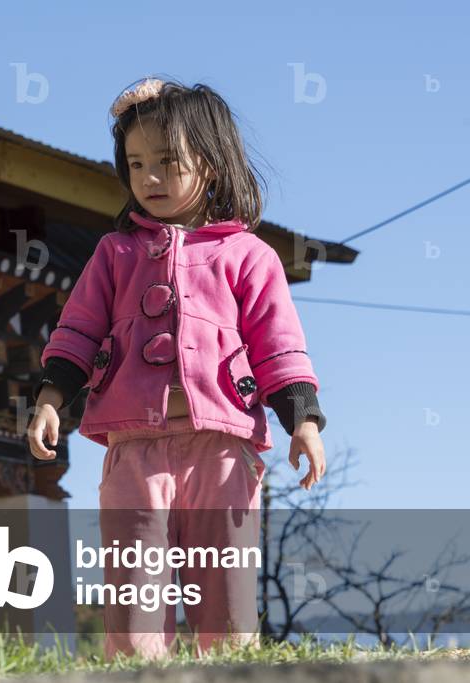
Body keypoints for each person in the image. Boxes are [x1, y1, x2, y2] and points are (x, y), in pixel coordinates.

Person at [26, 78, 328, 660]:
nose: (150, 179)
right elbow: (78, 331)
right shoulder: (114, 253)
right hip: (134, 451)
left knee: (226, 601)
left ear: (211, 167)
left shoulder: (249, 256)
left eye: (168, 162)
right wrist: (49, 399)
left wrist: (304, 423)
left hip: (223, 452)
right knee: (133, 598)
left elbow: (278, 346)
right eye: (137, 165)